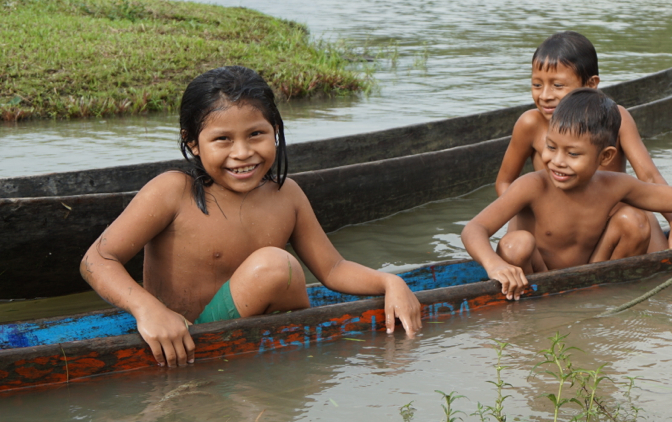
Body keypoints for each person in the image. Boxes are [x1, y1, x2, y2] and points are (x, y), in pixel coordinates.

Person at [80, 66, 422, 368]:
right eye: (222, 139)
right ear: (193, 143)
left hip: (267, 339)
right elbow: (97, 259)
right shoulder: (172, 191)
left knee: (275, 267)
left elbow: (332, 268)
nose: (242, 153)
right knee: (275, 264)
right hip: (185, 339)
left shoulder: (286, 195)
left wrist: (389, 282)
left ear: (274, 129)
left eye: (256, 134)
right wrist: (147, 309)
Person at [464, 88, 672, 300]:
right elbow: (474, 229)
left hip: (591, 273)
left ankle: (600, 296)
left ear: (605, 157)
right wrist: (495, 264)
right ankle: (531, 306)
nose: (557, 161)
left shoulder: (615, 185)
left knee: (634, 221)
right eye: (551, 147)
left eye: (573, 154)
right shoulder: (533, 184)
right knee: (516, 245)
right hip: (535, 278)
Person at [495, 31, 672, 265]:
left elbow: (648, 175)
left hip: (612, 219)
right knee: (517, 246)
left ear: (591, 84)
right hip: (558, 227)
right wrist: (531, 212)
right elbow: (505, 182)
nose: (545, 96)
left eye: (558, 86)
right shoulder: (530, 124)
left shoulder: (617, 118)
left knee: (661, 263)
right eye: (536, 84)